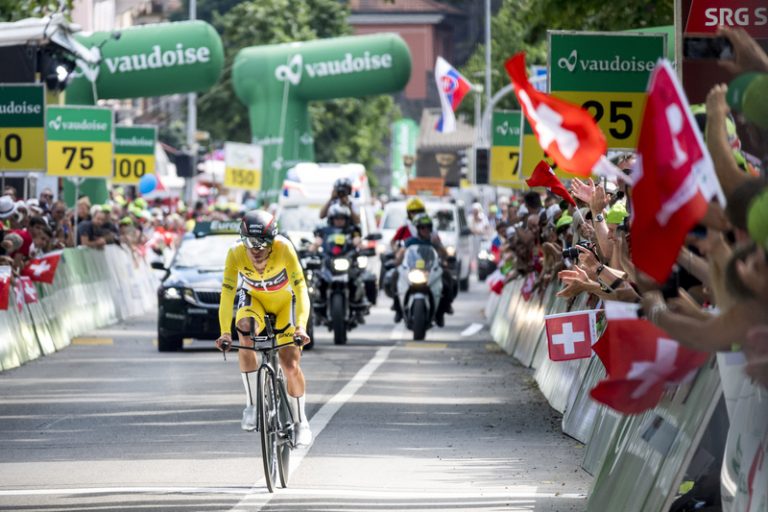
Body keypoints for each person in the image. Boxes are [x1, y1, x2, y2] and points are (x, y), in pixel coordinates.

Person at [215, 210, 313, 445]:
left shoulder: (284, 248)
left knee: (290, 365)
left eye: (262, 244)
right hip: (255, 300)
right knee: (244, 330)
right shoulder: (235, 253)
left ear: (273, 241)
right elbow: (227, 293)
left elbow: (301, 289)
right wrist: (225, 332)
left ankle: (300, 421)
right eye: (250, 243)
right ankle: (252, 405)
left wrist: (301, 327)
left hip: (284, 302)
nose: (256, 250)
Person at [394, 213, 454, 327]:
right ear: (417, 229)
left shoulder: (434, 241)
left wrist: (440, 248)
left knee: (448, 279)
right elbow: (401, 253)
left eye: (428, 227)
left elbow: (444, 255)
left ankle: (443, 310)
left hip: (430, 272)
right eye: (422, 227)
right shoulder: (410, 241)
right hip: (413, 271)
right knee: (395, 276)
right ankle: (397, 308)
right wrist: (396, 261)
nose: (425, 230)